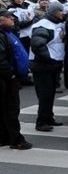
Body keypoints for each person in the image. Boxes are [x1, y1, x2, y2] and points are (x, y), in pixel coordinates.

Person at [29, 2, 67, 132]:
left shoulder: (58, 23)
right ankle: (41, 122)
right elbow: (37, 45)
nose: (63, 13)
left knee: (50, 94)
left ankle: (49, 117)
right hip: (43, 65)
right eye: (60, 11)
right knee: (45, 94)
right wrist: (50, 59)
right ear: (54, 12)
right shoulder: (42, 26)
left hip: (54, 64)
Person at [0, 9, 31, 149]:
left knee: (7, 108)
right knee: (11, 109)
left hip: (8, 78)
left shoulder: (7, 33)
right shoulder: (2, 35)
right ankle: (16, 140)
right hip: (6, 79)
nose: (12, 18)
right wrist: (11, 75)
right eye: (8, 17)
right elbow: (1, 60)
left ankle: (5, 137)